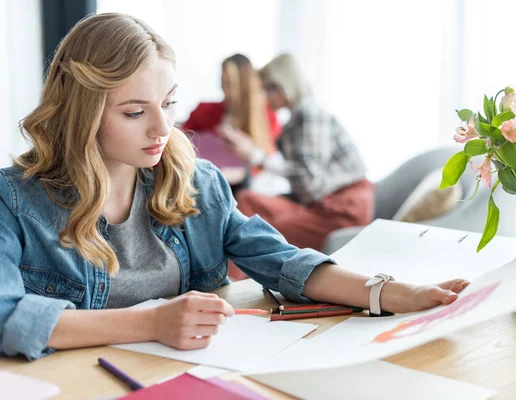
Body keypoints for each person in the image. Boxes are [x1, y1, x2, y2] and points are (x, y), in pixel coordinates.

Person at [0, 13, 469, 361]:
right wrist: (150, 322)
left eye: (169, 103)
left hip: (189, 376)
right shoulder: (15, 201)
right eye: (135, 112)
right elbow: (6, 316)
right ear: (81, 112)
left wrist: (391, 293)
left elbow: (284, 263)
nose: (163, 128)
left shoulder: (197, 183)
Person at [222, 53, 374, 254]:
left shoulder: (311, 113)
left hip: (341, 209)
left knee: (258, 231)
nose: (265, 97)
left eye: (268, 89)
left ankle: (233, 281)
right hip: (319, 203)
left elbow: (310, 182)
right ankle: (232, 279)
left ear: (283, 85)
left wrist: (256, 157)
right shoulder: (296, 118)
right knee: (247, 200)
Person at [182, 54, 280, 192]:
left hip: (244, 186)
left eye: (229, 84)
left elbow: (268, 164)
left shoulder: (267, 117)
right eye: (223, 83)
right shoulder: (203, 111)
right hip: (205, 181)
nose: (225, 91)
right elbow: (179, 145)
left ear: (244, 85)